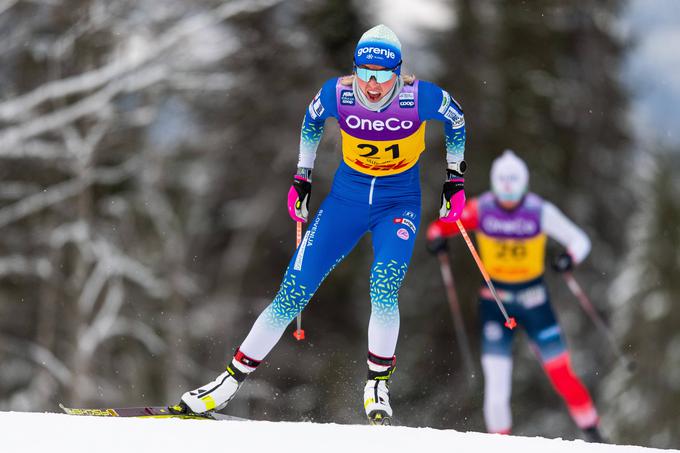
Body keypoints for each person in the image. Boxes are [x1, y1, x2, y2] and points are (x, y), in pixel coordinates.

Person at [172, 24, 468, 425]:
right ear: (355, 70)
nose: (374, 84)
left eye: (383, 75)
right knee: (292, 290)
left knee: (384, 284)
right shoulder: (337, 93)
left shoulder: (421, 98)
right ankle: (229, 381)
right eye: (365, 73)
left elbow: (457, 120)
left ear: (399, 72)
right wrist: (302, 177)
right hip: (345, 201)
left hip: (398, 204)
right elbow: (311, 122)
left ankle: (377, 382)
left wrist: (455, 179)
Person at [426, 150, 605, 442]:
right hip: (495, 302)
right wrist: (436, 239)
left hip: (534, 300)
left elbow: (579, 240)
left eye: (515, 193)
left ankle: (595, 435)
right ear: (495, 187)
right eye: (503, 194)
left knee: (561, 373)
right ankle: (500, 443)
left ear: (524, 186)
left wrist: (569, 258)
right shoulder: (481, 208)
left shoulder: (538, 210)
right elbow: (443, 224)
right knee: (497, 384)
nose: (508, 202)